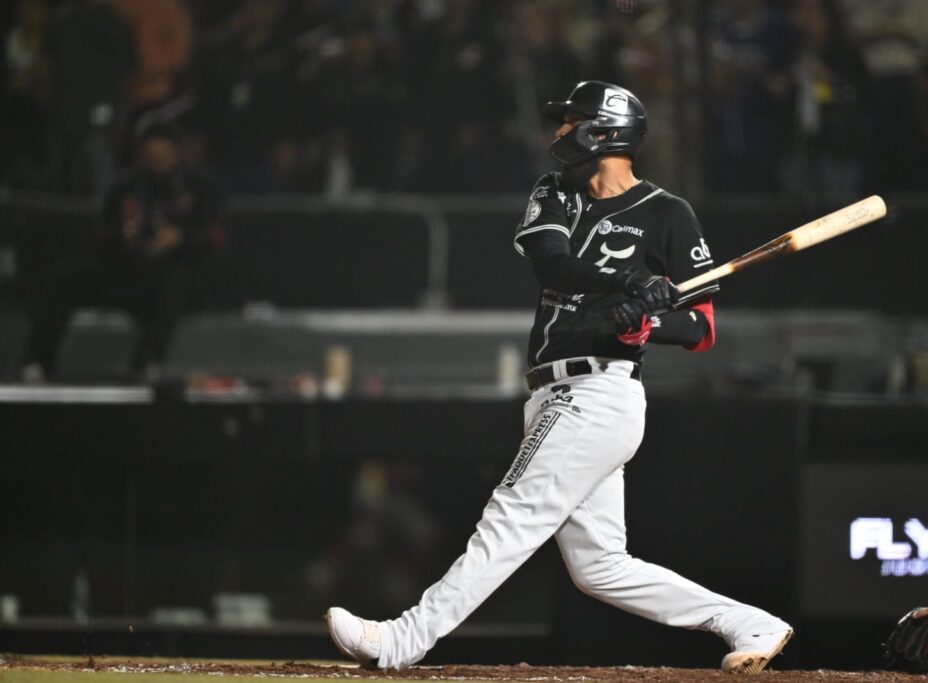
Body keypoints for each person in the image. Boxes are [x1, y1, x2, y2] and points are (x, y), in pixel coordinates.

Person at [325, 81, 793, 674]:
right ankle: (749, 623)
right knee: (601, 568)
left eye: (572, 121)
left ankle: (403, 640)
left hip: (597, 393)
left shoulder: (669, 214)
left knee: (511, 515)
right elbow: (555, 265)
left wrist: (647, 324)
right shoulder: (556, 191)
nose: (560, 132)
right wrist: (630, 286)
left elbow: (701, 329)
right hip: (555, 392)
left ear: (606, 131)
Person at [22, 122, 223, 382]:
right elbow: (103, 235)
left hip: (179, 273)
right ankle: (38, 361)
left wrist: (180, 237)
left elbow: (214, 235)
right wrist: (123, 238)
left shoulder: (199, 185)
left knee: (174, 281)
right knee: (62, 279)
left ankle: (147, 363)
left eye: (163, 158)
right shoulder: (127, 186)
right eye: (151, 158)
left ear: (177, 153)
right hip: (130, 272)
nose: (157, 165)